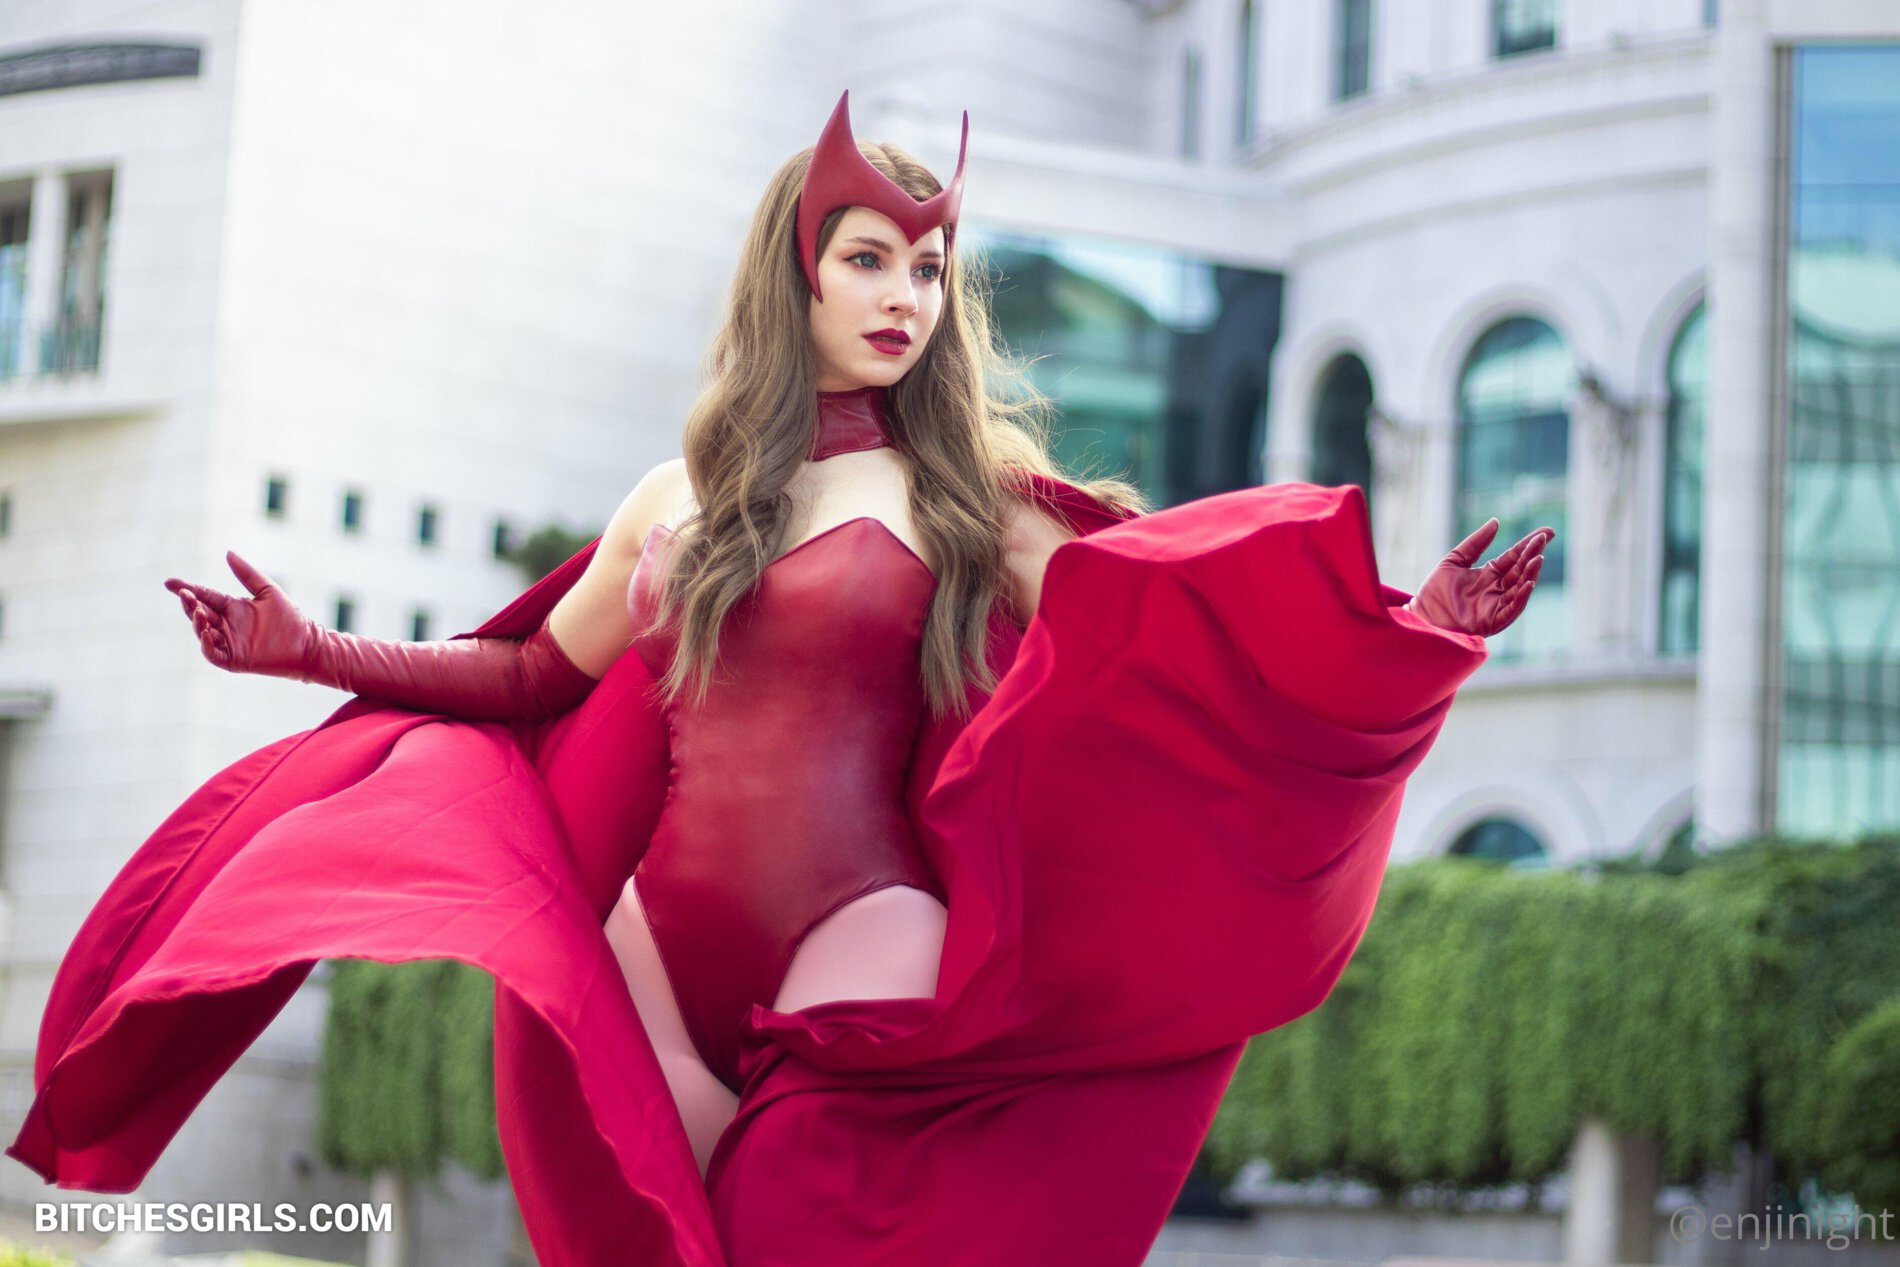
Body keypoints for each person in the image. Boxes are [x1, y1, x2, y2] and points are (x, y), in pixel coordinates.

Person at [8, 91, 1551, 1267]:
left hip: (862, 927)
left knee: (802, 1228)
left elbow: (1176, 624)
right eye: (870, 259)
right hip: (649, 952)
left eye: (928, 269)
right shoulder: (674, 496)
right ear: (798, 274)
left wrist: (1414, 628)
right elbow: (535, 672)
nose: (904, 295)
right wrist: (310, 653)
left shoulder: (973, 502)